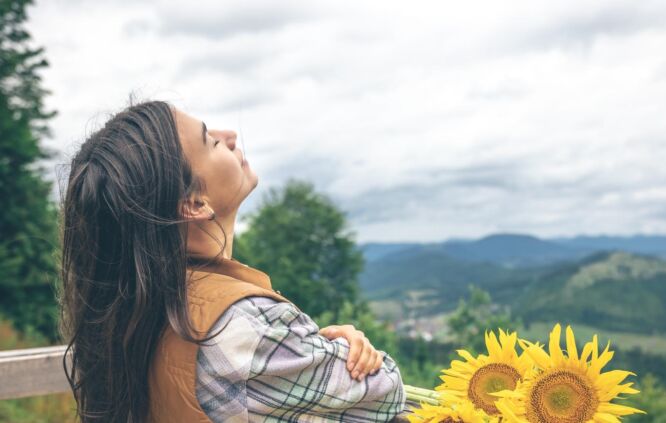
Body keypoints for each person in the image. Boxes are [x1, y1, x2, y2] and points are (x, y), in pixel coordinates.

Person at [58, 100, 406, 422]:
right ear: (194, 203)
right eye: (209, 141)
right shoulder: (241, 323)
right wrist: (344, 347)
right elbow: (385, 394)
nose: (230, 137)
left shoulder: (139, 310)